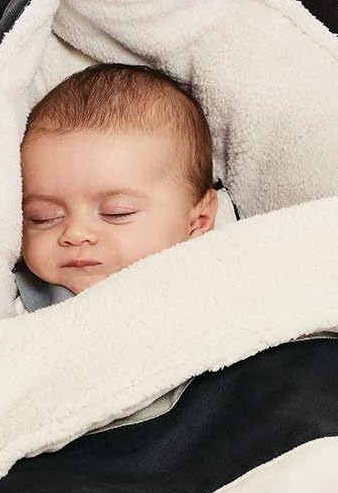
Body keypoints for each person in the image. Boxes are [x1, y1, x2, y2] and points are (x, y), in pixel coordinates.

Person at [14, 62, 220, 312]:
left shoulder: (226, 278)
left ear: (198, 221)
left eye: (117, 213)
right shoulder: (20, 309)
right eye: (43, 218)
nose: (76, 234)